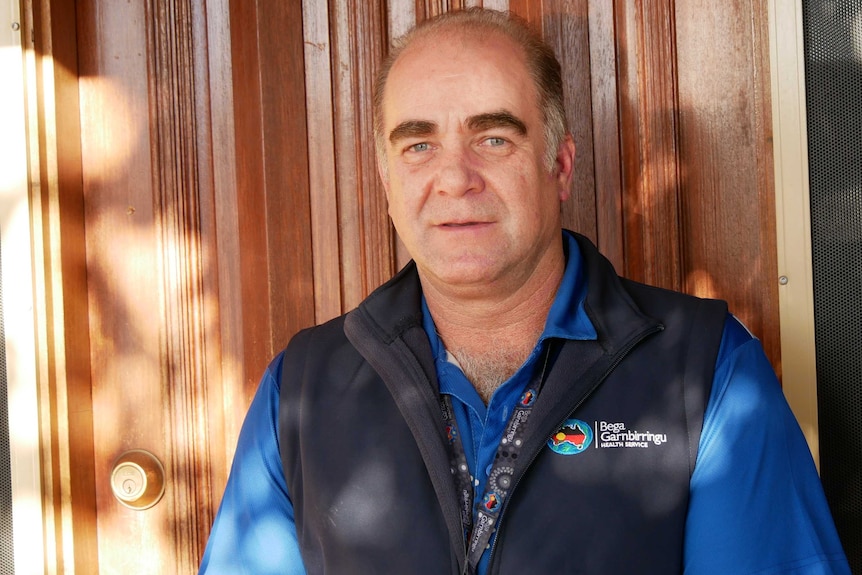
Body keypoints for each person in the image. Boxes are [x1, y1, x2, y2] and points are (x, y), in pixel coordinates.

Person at [199, 8, 850, 575]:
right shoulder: (302, 387)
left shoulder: (706, 370)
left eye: (493, 138)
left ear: (560, 165)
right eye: (419, 144)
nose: (455, 178)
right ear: (386, 179)